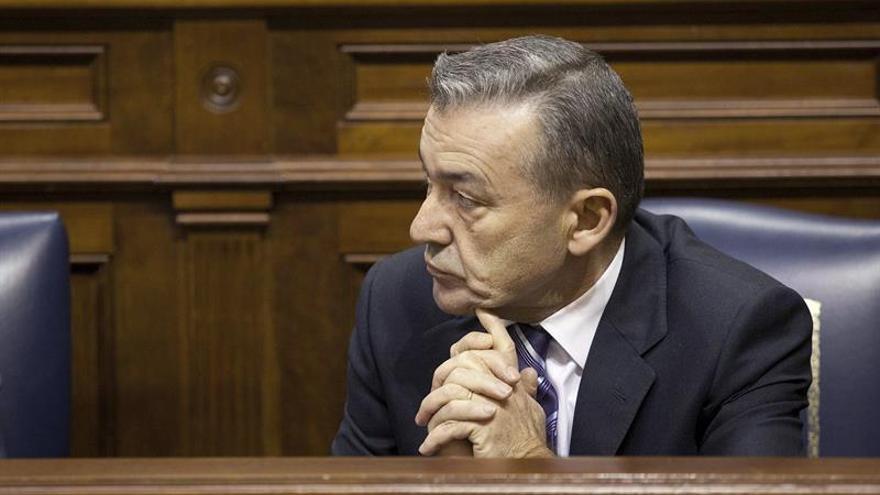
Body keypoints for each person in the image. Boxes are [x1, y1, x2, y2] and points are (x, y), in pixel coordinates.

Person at [331, 35, 812, 457]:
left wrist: (528, 467)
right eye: (429, 183)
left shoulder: (737, 330)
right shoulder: (396, 299)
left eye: (467, 198)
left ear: (585, 220)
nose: (421, 228)